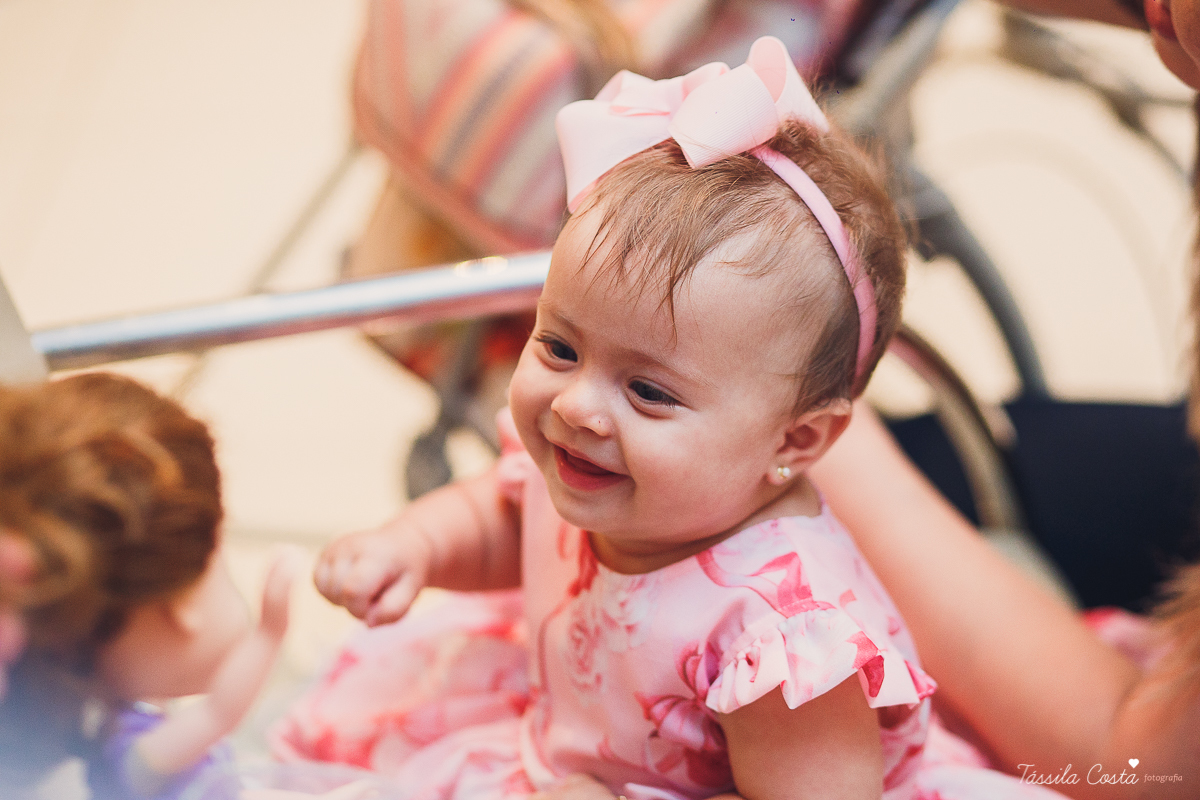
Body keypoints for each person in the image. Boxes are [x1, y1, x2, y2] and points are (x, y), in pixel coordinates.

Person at [305, 36, 1073, 800]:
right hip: (566, 746)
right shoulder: (604, 471)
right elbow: (512, 519)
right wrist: (413, 546)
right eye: (560, 346)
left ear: (796, 439)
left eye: (649, 392)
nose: (575, 406)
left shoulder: (781, 639)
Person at [0, 373, 375, 800]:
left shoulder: (68, 727)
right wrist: (270, 633)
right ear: (179, 608)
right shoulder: (119, 758)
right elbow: (219, 712)